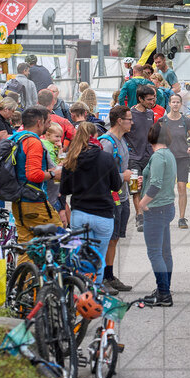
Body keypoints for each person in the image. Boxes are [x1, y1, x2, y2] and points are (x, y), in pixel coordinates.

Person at [59, 121, 122, 290]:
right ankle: (95, 292)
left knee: (82, 255)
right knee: (99, 257)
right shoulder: (106, 158)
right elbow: (116, 185)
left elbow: (64, 189)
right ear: (94, 136)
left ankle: (81, 288)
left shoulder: (71, 158)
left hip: (80, 213)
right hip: (103, 214)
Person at [10, 107, 62, 251]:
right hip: (34, 200)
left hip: (18, 200)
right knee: (59, 234)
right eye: (48, 122)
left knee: (27, 247)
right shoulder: (33, 142)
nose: (49, 125)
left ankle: (26, 273)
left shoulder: (17, 137)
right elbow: (33, 175)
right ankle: (54, 272)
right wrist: (53, 174)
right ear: (39, 122)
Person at [138, 121, 177, 307]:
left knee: (155, 253)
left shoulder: (158, 157)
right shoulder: (168, 155)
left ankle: (164, 294)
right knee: (165, 253)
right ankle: (164, 288)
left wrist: (142, 203)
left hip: (156, 208)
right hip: (167, 206)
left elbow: (156, 184)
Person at [98, 104, 135, 294]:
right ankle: (102, 278)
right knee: (107, 239)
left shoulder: (121, 140)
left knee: (115, 239)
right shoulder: (106, 143)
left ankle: (110, 275)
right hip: (110, 197)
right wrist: (123, 177)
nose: (132, 122)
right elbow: (100, 174)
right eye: (129, 119)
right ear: (119, 121)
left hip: (122, 195)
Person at [161, 93, 190, 228]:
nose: (175, 104)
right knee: (166, 188)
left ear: (181, 104)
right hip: (167, 158)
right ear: (169, 104)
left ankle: (182, 218)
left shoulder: (186, 121)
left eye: (178, 102)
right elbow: (157, 139)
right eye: (173, 102)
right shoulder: (163, 121)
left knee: (182, 187)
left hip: (182, 158)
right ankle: (164, 216)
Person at [127, 85, 158, 232]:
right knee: (135, 188)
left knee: (147, 187)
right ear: (140, 99)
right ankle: (139, 217)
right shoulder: (129, 114)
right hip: (133, 157)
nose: (152, 102)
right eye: (149, 99)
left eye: (154, 99)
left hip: (148, 156)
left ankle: (146, 213)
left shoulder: (150, 113)